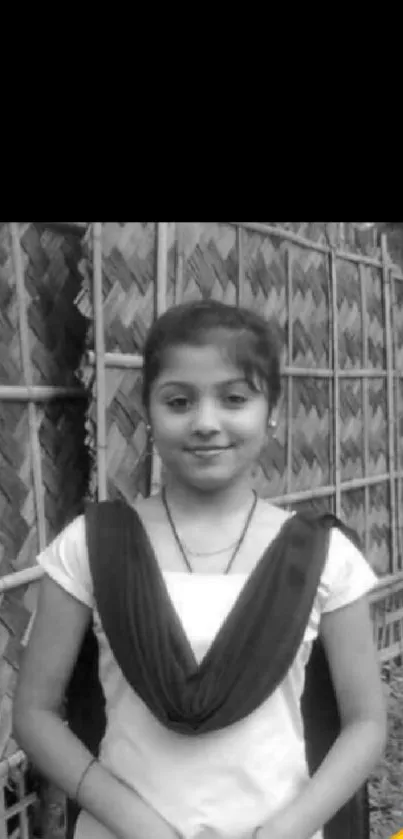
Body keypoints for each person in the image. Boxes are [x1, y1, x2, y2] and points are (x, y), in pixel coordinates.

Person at [13, 300, 387, 839]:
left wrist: (290, 827)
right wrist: (137, 824)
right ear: (147, 410)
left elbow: (366, 724)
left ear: (272, 410)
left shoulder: (324, 556)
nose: (206, 423)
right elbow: (34, 715)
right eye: (179, 401)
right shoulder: (92, 546)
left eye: (234, 398)